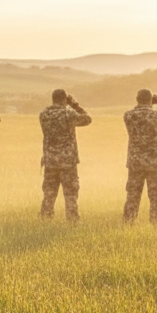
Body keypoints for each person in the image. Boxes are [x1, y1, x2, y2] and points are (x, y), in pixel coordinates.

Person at [123, 89, 157, 224]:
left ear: (137, 99)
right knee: (155, 197)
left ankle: (129, 223)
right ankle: (156, 224)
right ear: (151, 100)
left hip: (135, 162)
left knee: (132, 196)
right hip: (155, 162)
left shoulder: (128, 115)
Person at [39, 88, 92, 222]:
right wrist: (74, 104)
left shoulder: (44, 114)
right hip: (67, 161)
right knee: (71, 194)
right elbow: (87, 119)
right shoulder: (69, 113)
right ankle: (73, 221)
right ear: (64, 99)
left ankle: (45, 220)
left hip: (50, 160)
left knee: (49, 194)